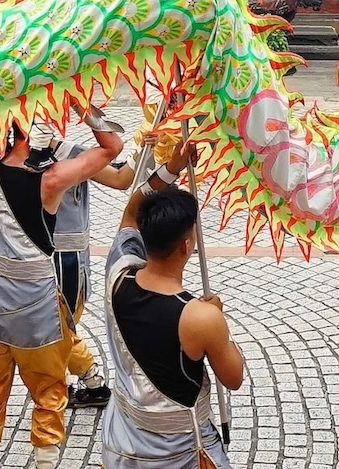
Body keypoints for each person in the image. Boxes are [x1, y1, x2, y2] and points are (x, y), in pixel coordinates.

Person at [0, 108, 123, 469]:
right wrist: (82, 106)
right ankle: (45, 462)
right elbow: (112, 148)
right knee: (49, 394)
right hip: (35, 309)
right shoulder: (53, 177)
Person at [100, 157, 245, 469]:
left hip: (123, 438)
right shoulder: (200, 317)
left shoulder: (119, 271)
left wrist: (171, 167)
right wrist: (219, 323)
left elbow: (130, 210)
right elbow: (233, 377)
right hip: (177, 452)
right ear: (186, 245)